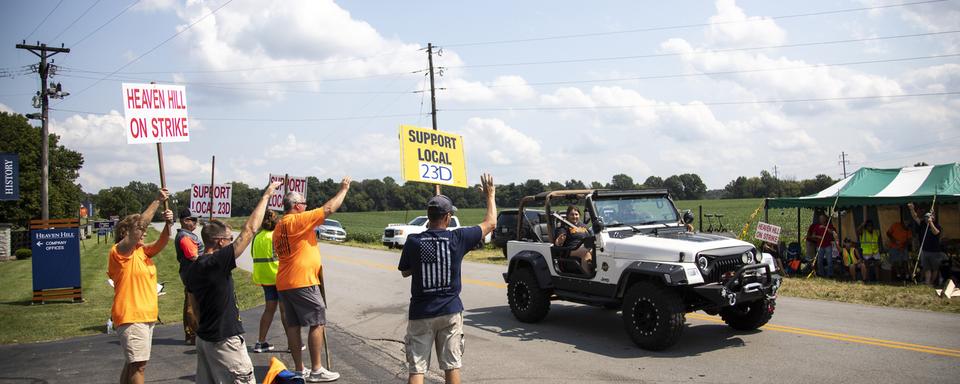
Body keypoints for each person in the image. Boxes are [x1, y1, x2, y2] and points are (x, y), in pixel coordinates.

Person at [398, 174, 497, 384]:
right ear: (447, 217)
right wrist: (490, 195)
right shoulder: (457, 238)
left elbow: (405, 271)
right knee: (451, 366)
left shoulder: (414, 241)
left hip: (421, 313)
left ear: (428, 216)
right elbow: (491, 223)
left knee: (417, 369)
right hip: (450, 312)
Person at [183, 181, 281, 384]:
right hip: (225, 340)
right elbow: (250, 229)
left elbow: (193, 308)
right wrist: (267, 195)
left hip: (205, 339)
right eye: (229, 239)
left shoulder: (193, 268)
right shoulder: (216, 263)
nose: (231, 241)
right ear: (219, 242)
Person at [274, 178, 351, 382]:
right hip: (302, 281)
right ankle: (316, 369)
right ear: (298, 206)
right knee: (317, 321)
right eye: (305, 204)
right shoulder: (296, 221)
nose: (307, 207)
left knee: (293, 325)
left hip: (285, 281)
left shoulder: (280, 225)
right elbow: (328, 209)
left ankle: (300, 369)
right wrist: (343, 189)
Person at [108, 189, 174, 384]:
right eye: (141, 229)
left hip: (145, 315)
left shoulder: (142, 252)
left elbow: (162, 242)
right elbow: (139, 228)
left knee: (132, 364)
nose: (144, 231)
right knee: (139, 366)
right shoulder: (120, 252)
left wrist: (168, 224)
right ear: (126, 232)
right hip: (131, 315)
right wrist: (157, 201)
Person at [251, 210, 286, 353]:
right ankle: (293, 343)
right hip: (278, 276)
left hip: (264, 277)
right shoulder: (275, 236)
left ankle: (260, 342)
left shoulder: (257, 237)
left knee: (269, 310)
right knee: (285, 311)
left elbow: (253, 254)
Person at [174, 208, 203, 345]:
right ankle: (193, 333)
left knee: (190, 303)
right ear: (185, 221)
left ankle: (191, 333)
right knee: (192, 305)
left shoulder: (187, 235)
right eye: (194, 220)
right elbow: (193, 256)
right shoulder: (185, 237)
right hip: (192, 273)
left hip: (191, 272)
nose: (196, 223)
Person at [908, 203, 945, 286]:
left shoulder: (937, 226)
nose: (926, 219)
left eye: (928, 217)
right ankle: (928, 283)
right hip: (925, 251)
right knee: (926, 268)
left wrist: (931, 223)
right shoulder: (922, 224)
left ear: (932, 218)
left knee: (935, 269)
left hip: (935, 251)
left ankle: (932, 282)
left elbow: (936, 232)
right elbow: (915, 217)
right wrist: (912, 209)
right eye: (925, 217)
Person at [554, 205, 593, 274]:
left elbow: (591, 237)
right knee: (586, 252)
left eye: (576, 214)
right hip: (571, 250)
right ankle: (588, 277)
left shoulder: (584, 226)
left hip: (585, 247)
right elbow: (558, 243)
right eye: (572, 215)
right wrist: (560, 240)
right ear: (567, 216)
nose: (574, 216)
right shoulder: (564, 226)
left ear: (579, 215)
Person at [807, 213, 838, 278]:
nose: (821, 220)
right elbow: (813, 235)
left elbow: (832, 232)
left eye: (822, 218)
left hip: (828, 245)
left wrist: (824, 227)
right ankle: (821, 274)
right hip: (820, 246)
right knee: (819, 261)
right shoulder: (817, 226)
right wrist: (818, 237)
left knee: (829, 261)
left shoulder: (829, 225)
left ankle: (830, 274)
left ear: (825, 219)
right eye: (820, 218)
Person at [886, 215, 912, 281]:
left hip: (903, 247)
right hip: (894, 247)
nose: (906, 224)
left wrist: (904, 246)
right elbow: (888, 233)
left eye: (908, 223)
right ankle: (898, 275)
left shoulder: (908, 229)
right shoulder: (895, 225)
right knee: (895, 262)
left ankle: (907, 276)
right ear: (902, 222)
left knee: (905, 261)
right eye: (905, 223)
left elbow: (909, 240)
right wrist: (893, 240)